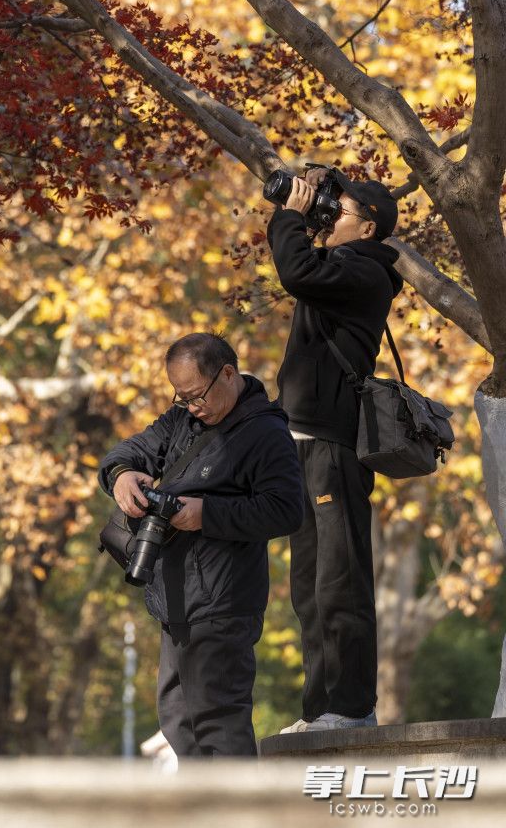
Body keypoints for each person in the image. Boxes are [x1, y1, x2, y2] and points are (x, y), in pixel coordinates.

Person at [99, 332, 303, 757]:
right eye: (181, 397)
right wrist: (120, 475)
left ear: (227, 374)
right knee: (179, 722)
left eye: (196, 395)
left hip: (224, 603)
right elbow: (127, 451)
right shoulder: (182, 421)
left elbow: (287, 511)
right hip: (173, 600)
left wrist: (205, 515)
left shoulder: (267, 432)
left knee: (218, 724)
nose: (191, 406)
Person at [266, 166, 402, 732]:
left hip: (333, 445)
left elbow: (295, 271)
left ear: (368, 228)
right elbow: (306, 270)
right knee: (308, 589)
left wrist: (290, 217)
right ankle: (320, 710)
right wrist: (307, 209)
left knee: (340, 579)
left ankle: (351, 708)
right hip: (300, 440)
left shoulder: (365, 272)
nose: (326, 215)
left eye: (337, 210)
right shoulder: (337, 266)